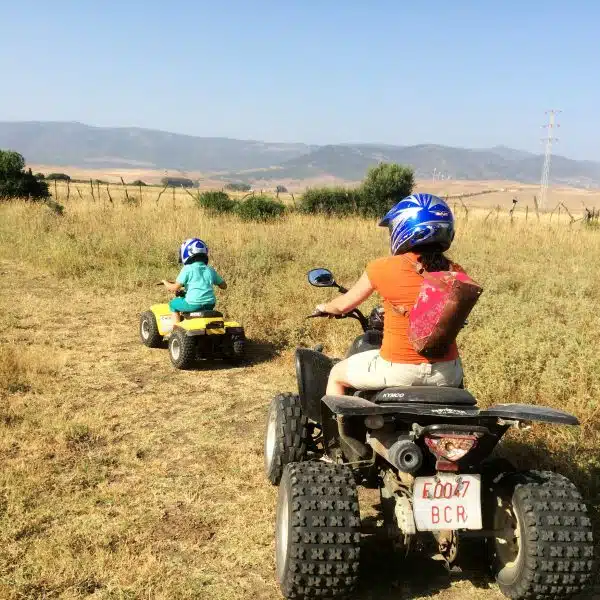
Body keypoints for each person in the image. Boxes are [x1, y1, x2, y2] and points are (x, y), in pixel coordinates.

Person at [316, 193, 465, 396]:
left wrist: (325, 307)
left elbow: (344, 305)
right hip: (448, 375)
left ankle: (340, 427)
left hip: (398, 370)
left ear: (403, 228)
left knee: (336, 374)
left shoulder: (382, 268)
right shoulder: (457, 272)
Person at [162, 238, 227, 323]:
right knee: (187, 298)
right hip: (210, 305)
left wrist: (165, 282)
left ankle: (176, 331)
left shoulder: (187, 269)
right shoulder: (210, 270)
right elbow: (224, 286)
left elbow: (174, 288)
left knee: (173, 304)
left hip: (193, 304)